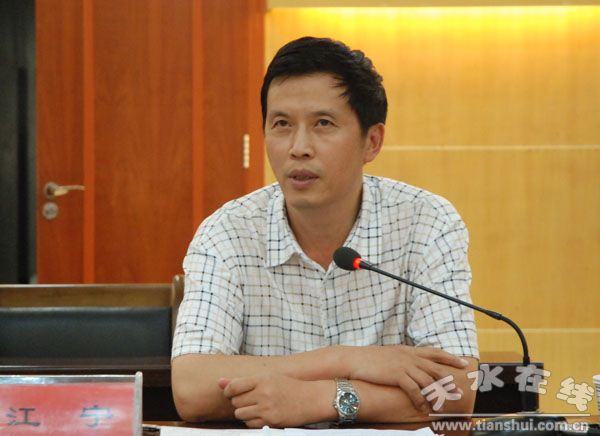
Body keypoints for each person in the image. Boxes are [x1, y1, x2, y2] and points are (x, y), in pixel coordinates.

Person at [171, 36, 479, 428]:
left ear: (372, 142)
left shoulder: (427, 222)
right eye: (282, 124)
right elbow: (192, 387)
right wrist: (345, 359)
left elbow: (457, 390)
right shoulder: (227, 232)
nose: (298, 147)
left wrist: (323, 398)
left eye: (323, 124)